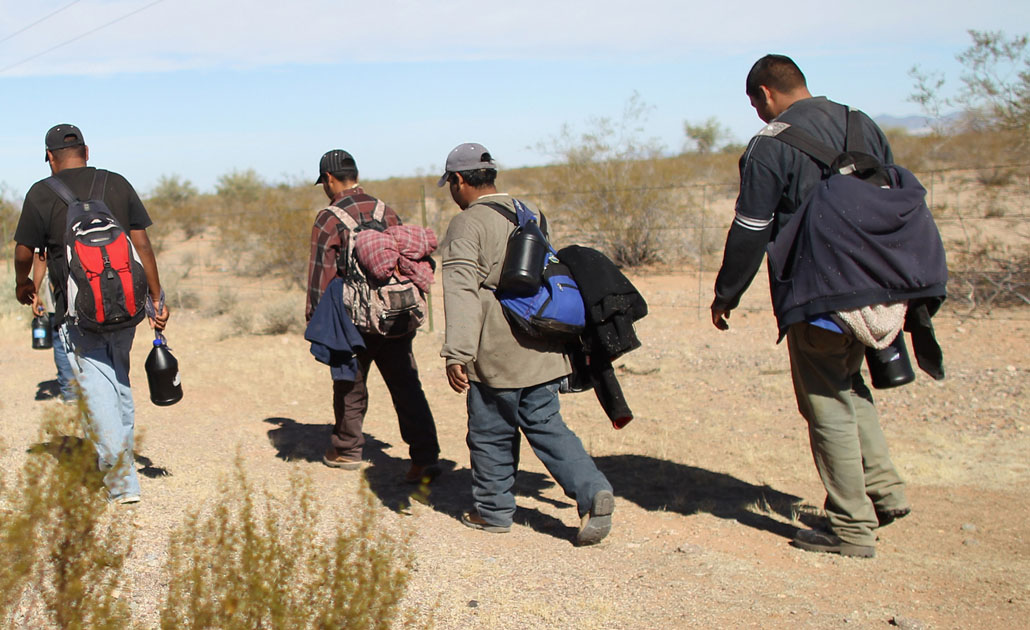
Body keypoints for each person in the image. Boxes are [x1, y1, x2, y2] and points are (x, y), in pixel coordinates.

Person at [710, 56, 912, 558]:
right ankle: (883, 490)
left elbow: (751, 228)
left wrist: (726, 293)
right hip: (881, 281)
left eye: (755, 102)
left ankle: (850, 528)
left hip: (819, 291)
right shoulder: (860, 122)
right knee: (847, 382)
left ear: (765, 93)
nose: (757, 111)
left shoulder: (769, 143)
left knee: (824, 403)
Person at [438, 142, 614, 546]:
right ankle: (592, 490)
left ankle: (493, 511)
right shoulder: (527, 210)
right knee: (548, 425)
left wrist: (457, 353)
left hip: (498, 351)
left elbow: (462, 291)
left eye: (451, 183)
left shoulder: (468, 224)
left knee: (490, 431)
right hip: (544, 346)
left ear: (459, 181)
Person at [13, 123, 170, 504]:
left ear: (50, 156)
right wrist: (156, 298)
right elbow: (143, 244)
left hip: (78, 313)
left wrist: (22, 284)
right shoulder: (115, 182)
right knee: (119, 379)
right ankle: (124, 460)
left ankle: (121, 483)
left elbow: (23, 251)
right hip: (127, 306)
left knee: (98, 389)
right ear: (87, 150)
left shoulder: (40, 192)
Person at [305, 149, 440, 483]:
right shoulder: (385, 210)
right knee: (407, 385)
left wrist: (316, 319)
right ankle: (424, 458)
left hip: (354, 317)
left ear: (329, 179)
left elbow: (320, 275)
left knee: (350, 381)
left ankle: (347, 449)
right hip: (394, 313)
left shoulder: (328, 218)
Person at [31, 250, 78, 403]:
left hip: (57, 291)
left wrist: (35, 292)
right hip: (89, 289)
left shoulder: (48, 224)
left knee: (60, 341)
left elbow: (41, 255)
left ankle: (71, 394)